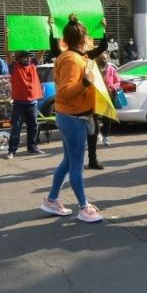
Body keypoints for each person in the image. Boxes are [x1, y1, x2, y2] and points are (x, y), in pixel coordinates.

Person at [40, 16, 104, 223]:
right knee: (76, 165)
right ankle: (84, 208)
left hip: (72, 116)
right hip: (74, 118)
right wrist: (86, 82)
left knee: (68, 162)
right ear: (84, 37)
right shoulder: (71, 59)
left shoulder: (76, 57)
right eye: (87, 35)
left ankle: (51, 200)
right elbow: (66, 93)